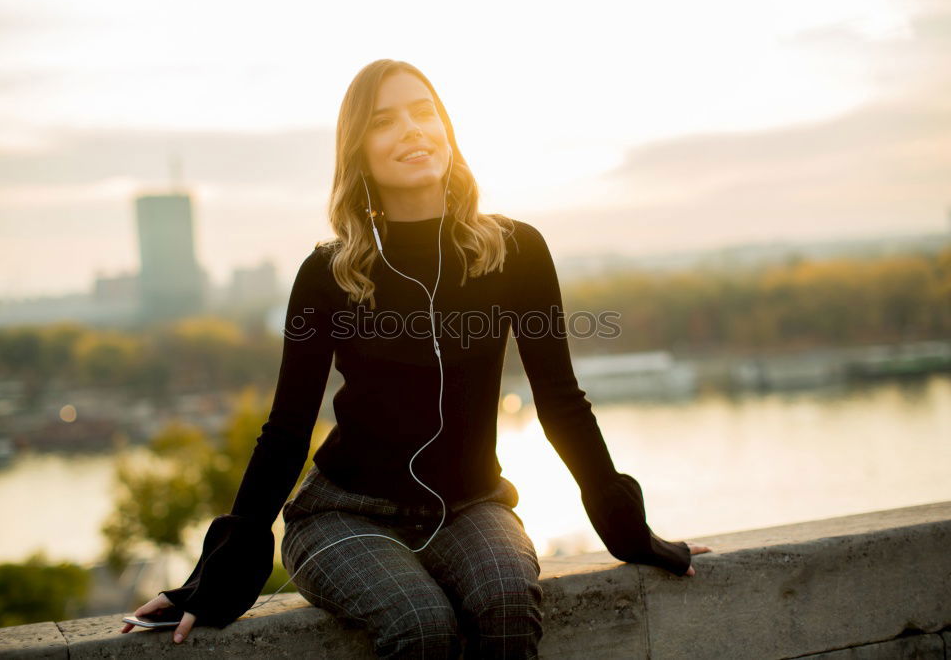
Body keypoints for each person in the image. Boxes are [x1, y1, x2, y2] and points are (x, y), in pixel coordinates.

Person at [120, 59, 712, 658]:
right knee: (420, 622)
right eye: (384, 121)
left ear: (448, 130)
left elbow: (560, 401)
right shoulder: (327, 274)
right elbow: (286, 430)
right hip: (341, 518)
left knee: (507, 598)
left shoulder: (516, 251)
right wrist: (215, 578)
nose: (411, 130)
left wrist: (632, 532)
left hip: (471, 507)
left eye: (424, 112)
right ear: (358, 151)